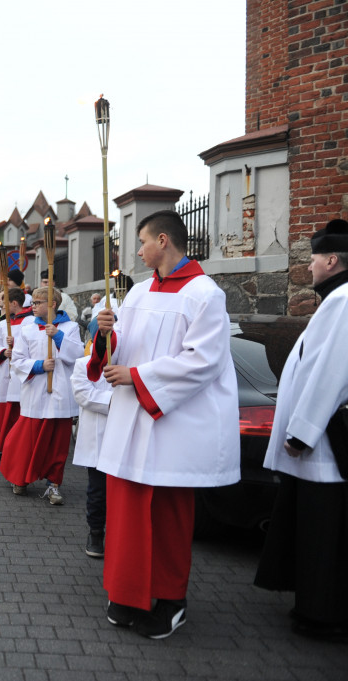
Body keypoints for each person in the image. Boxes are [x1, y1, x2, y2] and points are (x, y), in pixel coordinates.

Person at [91, 209, 239, 639]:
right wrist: (105, 336)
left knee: (168, 517)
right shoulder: (137, 293)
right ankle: (127, 593)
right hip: (131, 424)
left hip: (171, 426)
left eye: (141, 242)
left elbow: (203, 361)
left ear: (163, 241)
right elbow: (122, 347)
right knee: (127, 514)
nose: (137, 251)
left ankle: (171, 601)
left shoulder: (204, 294)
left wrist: (138, 378)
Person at [255, 217, 348, 639]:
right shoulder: (336, 299)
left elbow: (329, 372)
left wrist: (301, 432)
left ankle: (322, 613)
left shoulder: (343, 300)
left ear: (332, 259)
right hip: (319, 443)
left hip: (324, 444)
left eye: (312, 259)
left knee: (324, 534)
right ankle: (312, 606)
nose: (307, 267)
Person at [0, 287, 82, 504]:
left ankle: (53, 485)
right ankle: (20, 478)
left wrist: (58, 336)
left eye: (37, 303)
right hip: (35, 394)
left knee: (57, 446)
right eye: (33, 302)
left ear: (52, 304)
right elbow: (17, 360)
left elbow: (77, 355)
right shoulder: (28, 329)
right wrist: (39, 365)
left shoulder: (70, 327)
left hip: (60, 396)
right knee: (27, 441)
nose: (32, 306)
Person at [70, 340, 113, 559]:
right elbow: (84, 395)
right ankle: (96, 532)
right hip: (97, 442)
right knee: (98, 492)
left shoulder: (127, 365)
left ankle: (118, 536)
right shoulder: (83, 365)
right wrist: (115, 401)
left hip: (123, 441)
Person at [0, 288, 32, 458]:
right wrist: (2, 352)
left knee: (18, 409)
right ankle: (5, 445)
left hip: (21, 373)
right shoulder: (2, 323)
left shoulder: (30, 322)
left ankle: (17, 447)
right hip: (6, 370)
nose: (2, 307)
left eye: (5, 303)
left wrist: (16, 343)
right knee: (5, 409)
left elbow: (33, 344)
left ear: (14, 303)